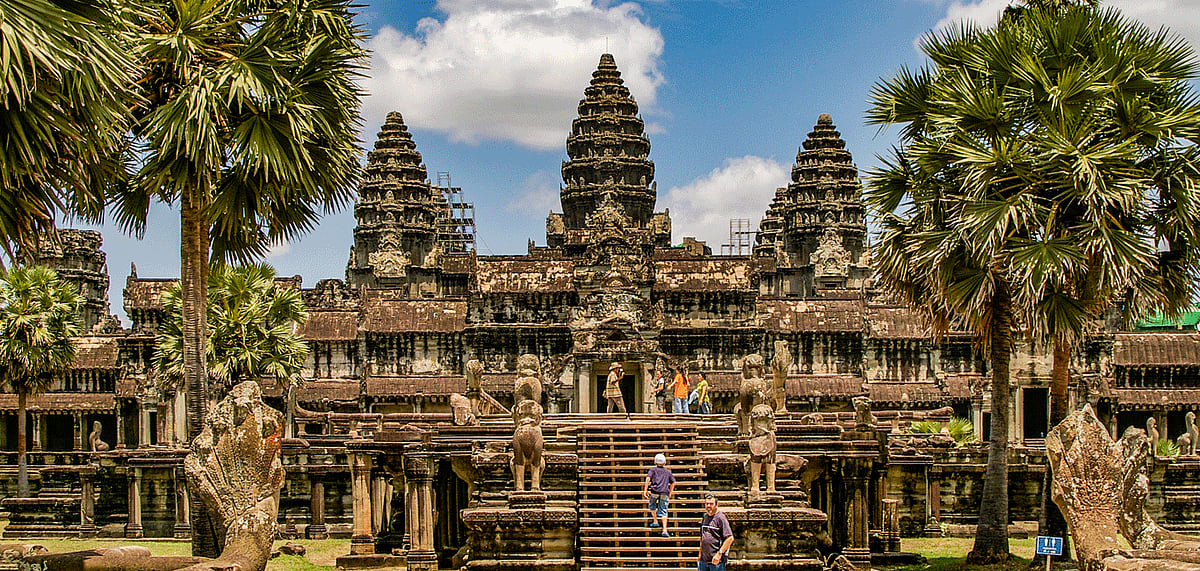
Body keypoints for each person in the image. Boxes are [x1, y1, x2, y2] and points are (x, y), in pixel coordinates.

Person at [642, 453, 676, 537]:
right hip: (664, 492)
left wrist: (645, 490)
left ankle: (655, 521)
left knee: (652, 505)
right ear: (664, 463)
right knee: (664, 510)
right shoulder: (667, 472)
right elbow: (673, 482)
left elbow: (648, 478)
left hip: (654, 491)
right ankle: (664, 529)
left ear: (655, 462)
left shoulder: (653, 470)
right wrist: (670, 493)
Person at [698, 494, 734, 571]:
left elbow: (730, 538)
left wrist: (719, 554)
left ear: (716, 505)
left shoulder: (720, 518)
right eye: (707, 504)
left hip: (716, 562)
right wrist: (700, 554)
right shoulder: (705, 517)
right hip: (703, 561)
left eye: (711, 504)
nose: (708, 506)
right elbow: (703, 537)